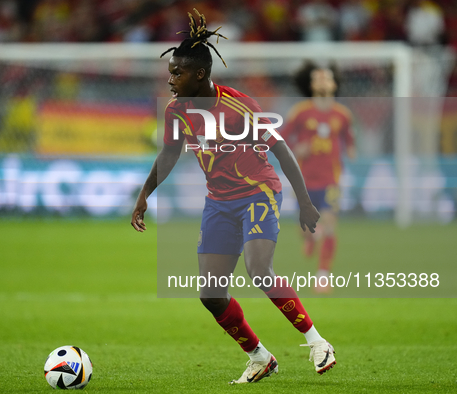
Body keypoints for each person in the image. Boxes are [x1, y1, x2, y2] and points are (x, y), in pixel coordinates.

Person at [130, 9, 335, 384]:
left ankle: (317, 341)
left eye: (177, 73)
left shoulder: (240, 105)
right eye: (170, 71)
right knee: (210, 294)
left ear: (200, 75)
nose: (171, 79)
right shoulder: (177, 111)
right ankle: (259, 356)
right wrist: (145, 196)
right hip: (219, 203)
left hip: (258, 193)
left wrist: (304, 201)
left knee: (259, 270)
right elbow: (170, 153)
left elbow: (282, 150)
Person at [281, 60, 356, 293]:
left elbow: (350, 141)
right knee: (306, 230)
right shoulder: (301, 112)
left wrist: (351, 151)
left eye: (327, 77)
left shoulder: (343, 114)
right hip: (303, 180)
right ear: (311, 84)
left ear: (334, 84)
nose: (323, 80)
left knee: (330, 224)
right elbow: (281, 139)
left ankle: (323, 276)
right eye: (318, 77)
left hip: (331, 180)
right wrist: (297, 148)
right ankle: (310, 239)